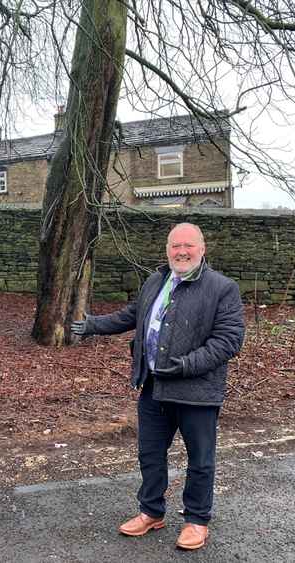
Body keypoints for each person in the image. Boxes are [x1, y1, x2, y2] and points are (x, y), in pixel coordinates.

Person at [71, 222, 244, 551]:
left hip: (197, 391)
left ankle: (196, 519)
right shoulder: (156, 280)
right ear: (167, 250)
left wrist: (186, 365)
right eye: (175, 245)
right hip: (153, 387)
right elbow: (133, 315)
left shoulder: (222, 288)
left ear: (202, 249)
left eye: (188, 245)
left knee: (200, 459)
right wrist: (94, 325)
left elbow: (228, 340)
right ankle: (151, 512)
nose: (181, 251)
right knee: (150, 455)